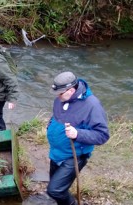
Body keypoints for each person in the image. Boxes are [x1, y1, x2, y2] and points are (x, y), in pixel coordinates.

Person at [46, 71, 110, 205]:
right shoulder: (61, 98)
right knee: (56, 188)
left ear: (71, 90)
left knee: (55, 190)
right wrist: (50, 125)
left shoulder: (92, 105)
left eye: (60, 93)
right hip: (56, 152)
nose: (57, 97)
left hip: (75, 156)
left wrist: (78, 134)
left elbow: (102, 135)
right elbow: (56, 116)